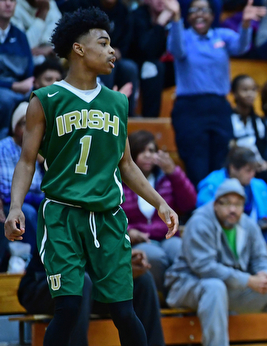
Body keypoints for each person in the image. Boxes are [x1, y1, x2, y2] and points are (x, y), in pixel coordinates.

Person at [3, 7, 179, 346]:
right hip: (63, 215)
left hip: (107, 216)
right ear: (78, 49)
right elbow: (26, 161)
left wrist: (159, 203)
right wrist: (14, 207)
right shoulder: (46, 99)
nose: (112, 51)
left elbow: (126, 164)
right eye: (103, 43)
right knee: (68, 308)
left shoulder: (117, 102)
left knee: (125, 312)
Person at [165, 178, 267, 346]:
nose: (233, 209)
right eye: (227, 203)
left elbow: (261, 257)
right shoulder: (200, 222)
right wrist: (248, 280)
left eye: (238, 204)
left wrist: (266, 274)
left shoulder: (248, 224)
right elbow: (205, 268)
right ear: (216, 204)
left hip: (229, 288)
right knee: (215, 287)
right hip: (188, 285)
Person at [164, 0, 266, 186]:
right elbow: (176, 50)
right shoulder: (183, 35)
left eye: (204, 10)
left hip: (219, 107)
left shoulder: (222, 36)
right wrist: (176, 17)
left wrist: (245, 24)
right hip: (190, 109)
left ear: (213, 15)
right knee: (196, 164)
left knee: (221, 162)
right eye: (194, 10)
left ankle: (220, 207)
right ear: (188, 15)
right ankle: (199, 209)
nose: (199, 14)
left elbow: (241, 47)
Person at [18, 248, 166, 346]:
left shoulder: (109, 212)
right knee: (80, 281)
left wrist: (130, 260)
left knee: (142, 280)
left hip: (91, 287)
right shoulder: (63, 208)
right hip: (43, 286)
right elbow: (70, 265)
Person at [123, 130, 196, 296]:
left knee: (180, 250)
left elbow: (189, 203)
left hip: (166, 236)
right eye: (142, 151)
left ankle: (179, 295)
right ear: (132, 153)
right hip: (138, 240)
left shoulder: (167, 178)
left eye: (152, 150)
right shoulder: (120, 181)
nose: (148, 155)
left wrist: (174, 172)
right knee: (155, 257)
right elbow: (114, 213)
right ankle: (158, 297)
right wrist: (129, 232)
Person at [196, 146, 267, 269]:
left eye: (254, 170)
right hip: (223, 233)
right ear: (233, 168)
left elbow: (266, 216)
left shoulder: (259, 186)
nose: (252, 175)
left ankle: (260, 272)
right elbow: (205, 214)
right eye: (248, 170)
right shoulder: (211, 185)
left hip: (252, 234)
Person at [0, 102, 43, 260]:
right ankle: (40, 259)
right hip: (10, 202)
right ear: (14, 126)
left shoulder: (38, 149)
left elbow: (41, 186)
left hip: (34, 198)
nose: (30, 128)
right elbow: (6, 187)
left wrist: (43, 162)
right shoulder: (3, 147)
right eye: (24, 123)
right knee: (29, 213)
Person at [128, 0, 170, 117]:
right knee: (153, 67)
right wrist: (160, 23)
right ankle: (150, 120)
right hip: (141, 67)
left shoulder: (176, 18)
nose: (160, 1)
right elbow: (147, 51)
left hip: (170, 68)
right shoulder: (138, 16)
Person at [0, 0, 34, 139]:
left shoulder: (20, 36)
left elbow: (29, 69)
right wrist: (13, 86)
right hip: (6, 89)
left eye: (12, 1)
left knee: (39, 96)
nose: (8, 4)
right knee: (5, 99)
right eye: (3, 0)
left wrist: (24, 84)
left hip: (19, 88)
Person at [230, 74, 267, 171]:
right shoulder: (228, 119)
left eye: (253, 90)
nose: (250, 94)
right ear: (234, 93)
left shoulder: (259, 121)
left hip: (257, 168)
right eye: (245, 90)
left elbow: (262, 146)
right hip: (236, 167)